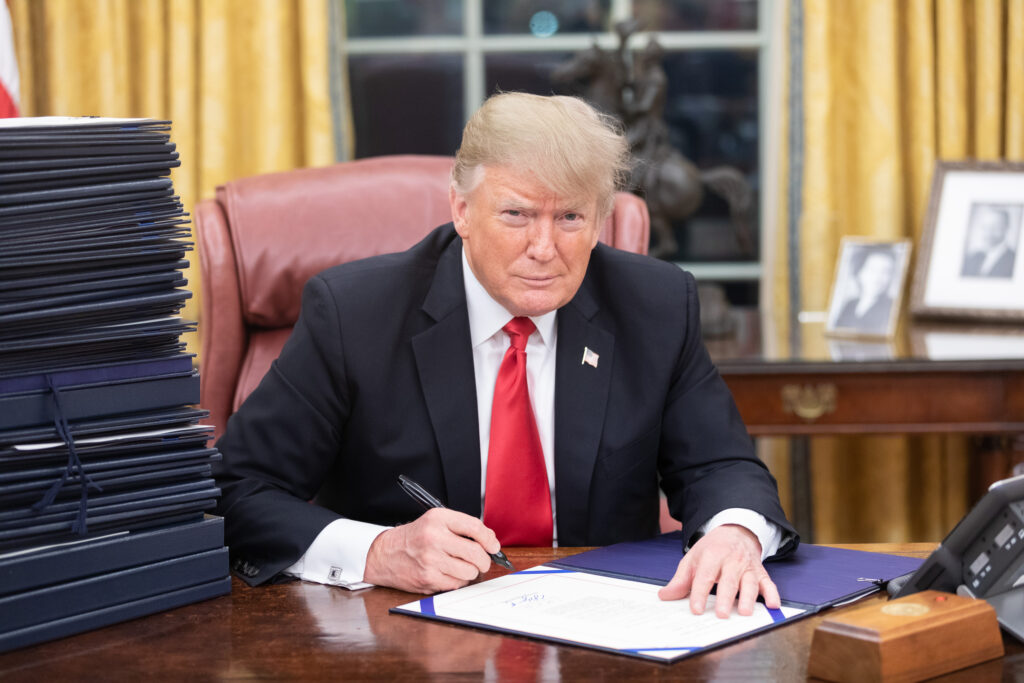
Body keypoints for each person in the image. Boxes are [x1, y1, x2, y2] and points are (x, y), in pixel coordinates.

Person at [213, 92, 796, 619]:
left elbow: (720, 467)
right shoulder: (355, 313)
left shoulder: (657, 305)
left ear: (600, 222)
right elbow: (239, 489)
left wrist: (733, 534)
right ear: (462, 211)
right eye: (516, 214)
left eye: (570, 217)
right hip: (405, 634)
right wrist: (377, 552)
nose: (544, 249)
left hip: (604, 632)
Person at [832, 248, 897, 335]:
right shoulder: (850, 305)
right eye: (873, 270)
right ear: (859, 273)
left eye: (886, 272)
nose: (878, 278)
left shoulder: (892, 306)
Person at [961, 205, 1018, 279]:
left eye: (996, 226)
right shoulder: (972, 258)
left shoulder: (1013, 259)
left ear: (1006, 228)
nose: (989, 232)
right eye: (986, 226)